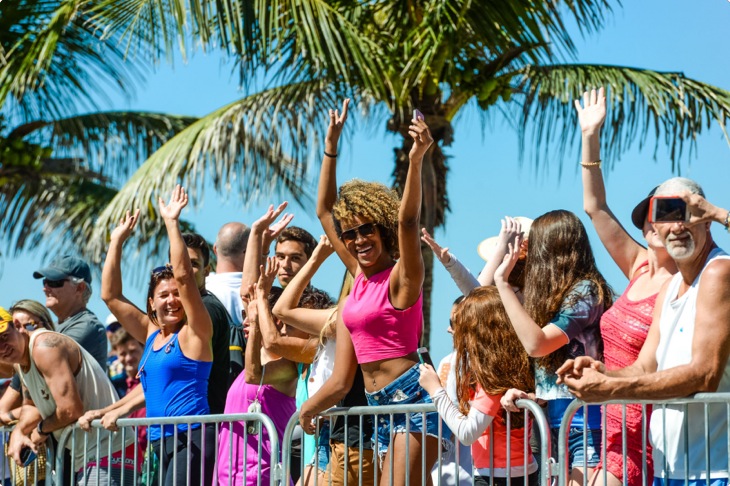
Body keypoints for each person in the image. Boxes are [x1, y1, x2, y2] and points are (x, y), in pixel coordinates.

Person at [300, 99, 440, 486]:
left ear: (381, 229)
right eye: (350, 233)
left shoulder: (401, 278)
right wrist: (331, 146)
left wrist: (417, 159)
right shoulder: (359, 277)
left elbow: (408, 220)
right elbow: (326, 211)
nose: (357, 239)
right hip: (378, 410)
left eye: (366, 230)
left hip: (412, 400)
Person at [558, 177, 730, 486]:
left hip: (714, 469)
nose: (676, 226)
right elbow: (643, 366)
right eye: (664, 216)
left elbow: (705, 375)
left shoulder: (719, 271)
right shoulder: (671, 287)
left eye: (687, 213)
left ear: (707, 220)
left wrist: (609, 390)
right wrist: (600, 374)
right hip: (670, 468)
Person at [575, 87, 678, 486]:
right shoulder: (637, 265)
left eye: (669, 214)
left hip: (650, 426)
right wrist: (590, 135)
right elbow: (595, 206)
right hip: (612, 424)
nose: (656, 222)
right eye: (651, 213)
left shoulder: (688, 279)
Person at [100, 186, 215, 486]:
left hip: (190, 437)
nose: (172, 300)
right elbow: (110, 296)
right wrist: (116, 242)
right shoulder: (152, 335)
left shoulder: (195, 332)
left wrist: (171, 222)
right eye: (163, 295)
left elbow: (185, 277)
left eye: (177, 295)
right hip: (158, 439)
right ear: (151, 302)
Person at [494, 210, 613, 485]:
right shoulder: (556, 296)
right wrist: (534, 393)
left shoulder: (587, 291)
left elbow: (537, 344)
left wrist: (503, 283)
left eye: (534, 245)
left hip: (587, 423)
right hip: (555, 423)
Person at [273, 235, 373, 486]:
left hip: (353, 434)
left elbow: (281, 311)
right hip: (340, 433)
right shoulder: (342, 317)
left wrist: (318, 256)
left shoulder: (346, 318)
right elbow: (281, 312)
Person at [419, 287, 538, 486]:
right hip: (516, 471)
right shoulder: (510, 362)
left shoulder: (493, 374)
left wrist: (435, 390)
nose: (455, 332)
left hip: (498, 475)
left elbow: (467, 433)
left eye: (461, 326)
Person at [0, 307, 126, 486]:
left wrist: (40, 430)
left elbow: (70, 410)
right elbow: (31, 407)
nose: (3, 347)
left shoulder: (43, 348)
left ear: (18, 325)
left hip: (110, 449)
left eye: (4, 337)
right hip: (90, 455)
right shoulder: (21, 361)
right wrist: (19, 432)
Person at [217, 267, 298, 486]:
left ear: (277, 321)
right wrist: (257, 235)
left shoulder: (287, 366)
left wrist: (256, 323)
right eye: (245, 316)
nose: (246, 321)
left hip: (261, 476)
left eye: (252, 316)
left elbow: (255, 376)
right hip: (227, 475)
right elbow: (247, 289)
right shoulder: (250, 363)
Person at [179, 232, 231, 413]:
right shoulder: (172, 312)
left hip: (202, 425)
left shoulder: (209, 308)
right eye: (181, 262)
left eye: (193, 263)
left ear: (207, 270)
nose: (184, 269)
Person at [32, 255, 107, 371]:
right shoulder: (54, 327)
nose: (45, 288)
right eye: (45, 282)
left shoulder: (88, 326)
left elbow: (48, 360)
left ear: (79, 288)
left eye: (54, 282)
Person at [206, 222, 250, 382]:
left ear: (215, 249)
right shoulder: (260, 292)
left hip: (211, 389)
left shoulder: (201, 292)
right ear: (249, 252)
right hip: (250, 390)